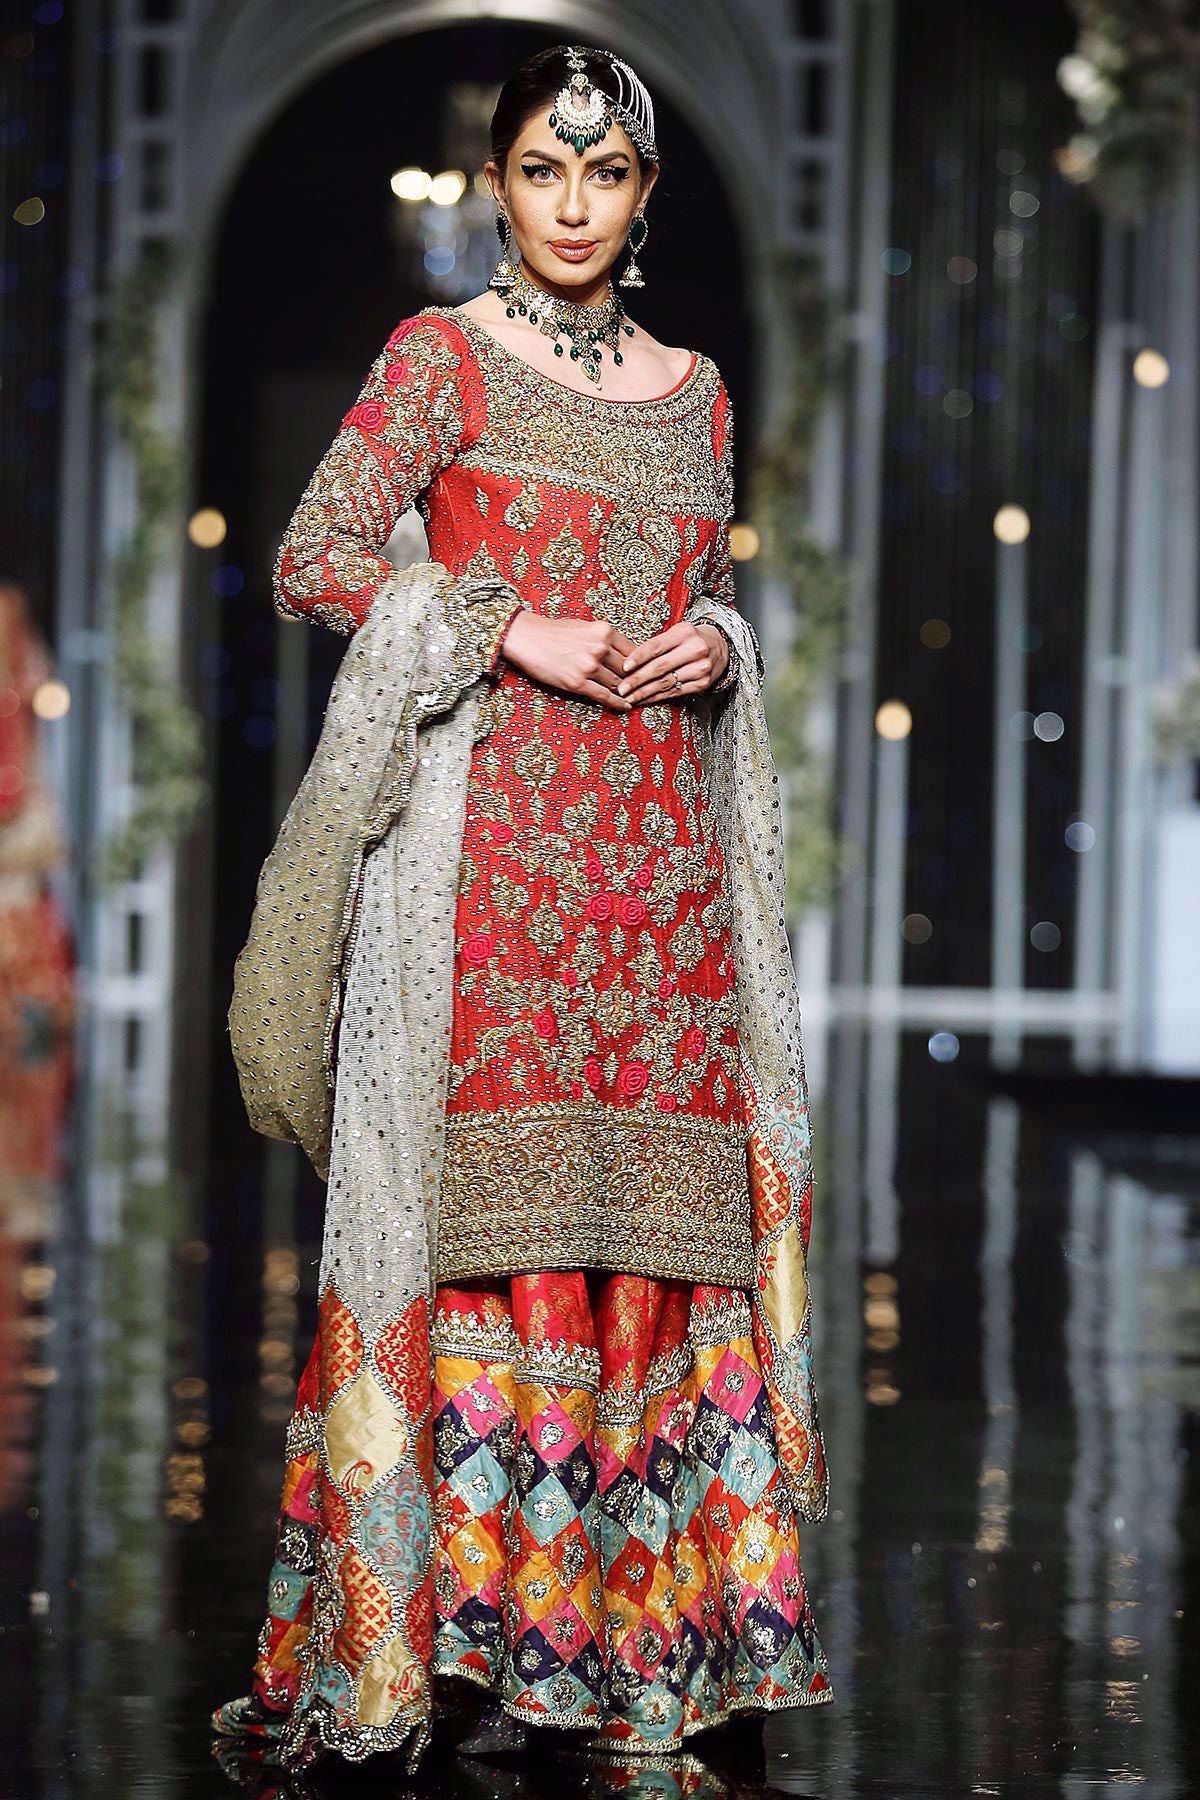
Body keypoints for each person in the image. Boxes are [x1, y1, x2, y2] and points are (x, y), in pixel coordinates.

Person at [214, 41, 832, 1774]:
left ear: (645, 193)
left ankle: (648, 1650)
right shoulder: (444, 361)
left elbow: (699, 593)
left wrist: (718, 643)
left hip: (667, 903)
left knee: (664, 1241)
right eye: (542, 172)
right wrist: (506, 626)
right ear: (498, 184)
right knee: (493, 1231)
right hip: (494, 882)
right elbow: (318, 556)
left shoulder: (700, 393)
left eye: (604, 173)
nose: (571, 205)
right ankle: (464, 1646)